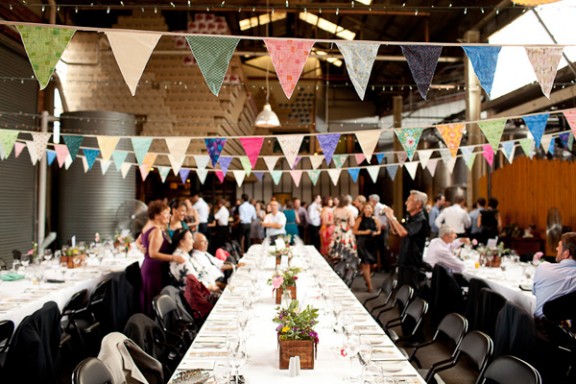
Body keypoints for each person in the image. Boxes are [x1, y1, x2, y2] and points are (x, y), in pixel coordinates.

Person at [139, 200, 186, 316]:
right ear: (157, 215)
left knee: (149, 298)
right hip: (154, 269)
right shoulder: (156, 231)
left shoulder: (149, 226)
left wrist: (141, 248)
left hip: (148, 267)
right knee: (155, 298)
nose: (169, 216)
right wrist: (174, 258)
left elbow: (138, 241)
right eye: (166, 213)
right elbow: (153, 254)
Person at [384, 190, 430, 289]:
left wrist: (392, 217)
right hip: (404, 260)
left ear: (418, 204)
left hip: (411, 263)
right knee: (401, 289)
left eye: (409, 201)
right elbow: (396, 232)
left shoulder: (420, 219)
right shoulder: (411, 218)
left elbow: (403, 232)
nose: (405, 203)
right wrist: (389, 218)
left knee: (408, 292)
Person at [532, 232, 576, 318]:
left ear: (566, 253)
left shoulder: (543, 268)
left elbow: (534, 293)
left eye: (559, 246)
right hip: (568, 329)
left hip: (540, 328)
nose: (556, 248)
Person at [169, 228, 220, 293]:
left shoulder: (184, 254)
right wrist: (211, 287)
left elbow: (200, 273)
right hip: (195, 296)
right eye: (190, 238)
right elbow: (194, 283)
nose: (193, 241)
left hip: (205, 288)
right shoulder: (180, 258)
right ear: (181, 242)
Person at [354, 203, 381, 292]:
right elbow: (355, 231)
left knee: (373, 264)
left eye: (369, 208)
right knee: (366, 264)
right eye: (366, 208)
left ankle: (366, 278)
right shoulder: (360, 219)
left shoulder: (375, 219)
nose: (368, 209)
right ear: (363, 210)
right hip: (362, 242)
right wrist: (365, 232)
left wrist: (375, 233)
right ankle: (370, 286)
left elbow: (379, 231)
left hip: (372, 243)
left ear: (372, 209)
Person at [329, 195, 357, 264]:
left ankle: (337, 264)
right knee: (347, 246)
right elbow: (352, 223)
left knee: (336, 247)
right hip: (346, 231)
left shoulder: (335, 210)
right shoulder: (349, 211)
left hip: (337, 229)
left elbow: (332, 222)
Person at [369, 194, 390, 272]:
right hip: (377, 229)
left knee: (383, 248)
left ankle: (385, 267)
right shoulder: (375, 208)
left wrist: (384, 224)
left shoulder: (381, 207)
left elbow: (388, 215)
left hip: (382, 229)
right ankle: (378, 265)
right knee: (377, 248)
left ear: (373, 201)